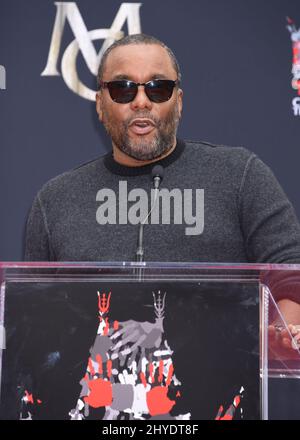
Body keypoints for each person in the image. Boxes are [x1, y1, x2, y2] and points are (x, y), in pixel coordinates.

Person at [25, 34, 300, 346]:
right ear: (100, 105)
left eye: (158, 88)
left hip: (220, 386)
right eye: (122, 89)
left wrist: (276, 341)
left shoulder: (240, 176)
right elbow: (35, 317)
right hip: (97, 387)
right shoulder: (56, 200)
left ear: (178, 102)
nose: (141, 101)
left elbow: (292, 275)